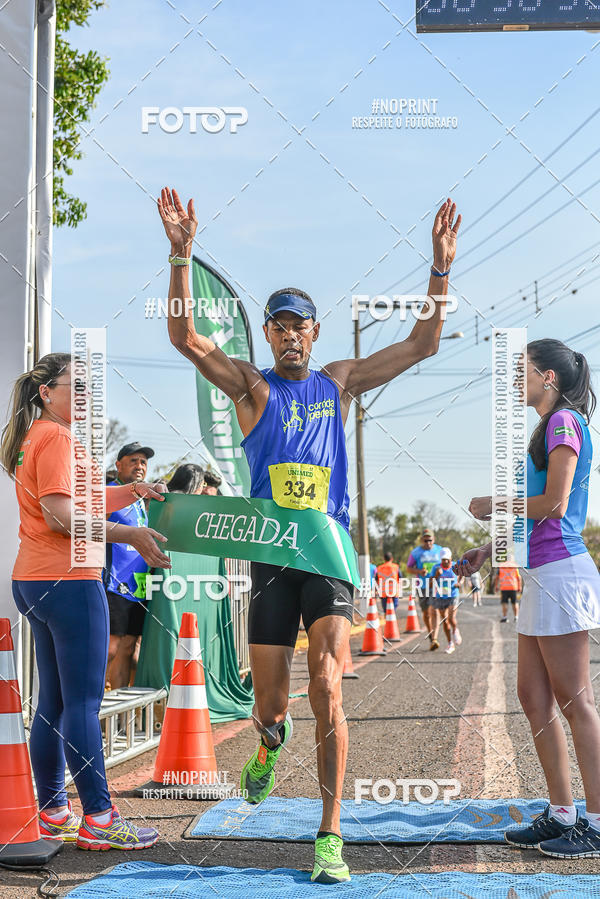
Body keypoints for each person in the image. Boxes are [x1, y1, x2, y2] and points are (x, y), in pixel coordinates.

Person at [158, 185, 461, 883]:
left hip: (326, 555)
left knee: (328, 684)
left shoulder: (340, 380)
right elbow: (184, 337)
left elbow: (423, 341)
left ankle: (329, 832)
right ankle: (270, 741)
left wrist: (439, 269)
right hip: (272, 558)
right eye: (279, 325)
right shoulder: (249, 389)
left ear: (315, 332)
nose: (291, 334)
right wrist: (181, 257)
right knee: (271, 703)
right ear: (266, 334)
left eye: (301, 324)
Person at [1, 353, 170, 849]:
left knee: (55, 700)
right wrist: (131, 535)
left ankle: (53, 810)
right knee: (81, 701)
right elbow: (60, 515)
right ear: (45, 393)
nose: (84, 396)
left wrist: (135, 489)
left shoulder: (42, 434)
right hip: (68, 580)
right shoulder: (54, 436)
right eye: (73, 387)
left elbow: (87, 496)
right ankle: (99, 817)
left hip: (38, 579)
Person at [456, 339, 600, 858]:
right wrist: (484, 550)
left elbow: (556, 504)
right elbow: (528, 517)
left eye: (523, 371)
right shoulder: (547, 428)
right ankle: (562, 813)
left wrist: (494, 502)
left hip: (562, 572)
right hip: (540, 572)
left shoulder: (564, 423)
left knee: (575, 701)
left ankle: (597, 822)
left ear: (549, 378)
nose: (517, 380)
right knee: (533, 696)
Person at [105, 442, 156, 690]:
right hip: (113, 583)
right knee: (110, 648)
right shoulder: (108, 492)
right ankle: (94, 711)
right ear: (118, 464)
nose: (139, 466)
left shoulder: (141, 501)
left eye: (143, 462)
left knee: (128, 647)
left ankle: (119, 714)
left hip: (139, 584)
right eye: (133, 460)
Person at [406, 528, 443, 650]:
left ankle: (435, 638)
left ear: (434, 539)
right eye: (425, 540)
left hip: (437, 585)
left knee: (435, 611)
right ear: (422, 540)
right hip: (422, 586)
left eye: (430, 540)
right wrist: (419, 571)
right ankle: (431, 635)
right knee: (426, 613)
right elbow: (408, 568)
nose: (428, 543)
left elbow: (447, 564)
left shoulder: (440, 551)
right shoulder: (416, 552)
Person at [428, 549, 462, 654]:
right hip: (441, 597)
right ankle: (450, 643)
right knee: (445, 621)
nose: (445, 562)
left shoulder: (456, 566)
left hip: (453, 595)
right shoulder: (436, 568)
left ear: (451, 559)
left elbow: (462, 576)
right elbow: (430, 584)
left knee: (451, 618)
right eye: (443, 560)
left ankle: (455, 629)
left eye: (447, 560)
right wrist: (436, 576)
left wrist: (459, 583)